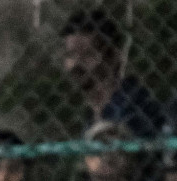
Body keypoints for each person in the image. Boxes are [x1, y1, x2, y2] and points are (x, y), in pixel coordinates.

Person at [59, 9, 164, 138]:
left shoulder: (134, 108)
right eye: (70, 55)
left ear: (114, 57)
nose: (76, 64)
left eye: (88, 54)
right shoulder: (91, 114)